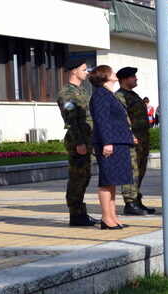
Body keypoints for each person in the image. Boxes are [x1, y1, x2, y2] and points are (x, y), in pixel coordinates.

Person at [88, 65, 135, 230]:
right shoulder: (100, 95)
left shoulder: (109, 94)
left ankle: (113, 216)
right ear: (105, 76)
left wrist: (130, 136)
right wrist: (107, 142)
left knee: (113, 181)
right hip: (109, 143)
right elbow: (102, 121)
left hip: (118, 142)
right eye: (112, 71)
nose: (115, 73)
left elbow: (118, 120)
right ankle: (106, 218)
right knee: (107, 181)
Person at [56, 58, 98, 227]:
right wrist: (79, 142)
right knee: (77, 178)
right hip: (78, 141)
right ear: (74, 71)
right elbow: (71, 121)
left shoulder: (84, 91)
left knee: (85, 177)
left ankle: (82, 213)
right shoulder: (67, 94)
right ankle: (75, 214)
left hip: (88, 140)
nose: (87, 72)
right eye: (83, 69)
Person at [115, 67, 156, 216]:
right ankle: (130, 203)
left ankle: (136, 200)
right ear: (124, 79)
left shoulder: (134, 95)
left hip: (142, 138)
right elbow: (121, 119)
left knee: (140, 171)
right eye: (133, 77)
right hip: (132, 139)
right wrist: (129, 135)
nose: (136, 79)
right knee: (132, 170)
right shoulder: (120, 96)